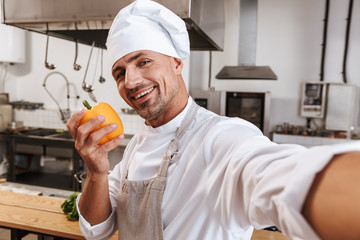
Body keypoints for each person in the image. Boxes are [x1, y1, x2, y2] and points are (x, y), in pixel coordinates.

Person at [66, 0, 360, 239]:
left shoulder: (222, 138)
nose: (130, 81)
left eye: (143, 62)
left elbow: (280, 178)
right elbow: (96, 229)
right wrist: (97, 172)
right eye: (120, 72)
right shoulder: (133, 149)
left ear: (177, 63)